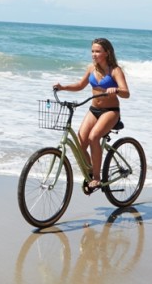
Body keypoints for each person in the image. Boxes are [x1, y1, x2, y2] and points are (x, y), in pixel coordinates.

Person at [53, 38, 130, 193]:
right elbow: (81, 85)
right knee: (80, 144)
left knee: (93, 137)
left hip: (111, 111)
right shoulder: (91, 68)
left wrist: (116, 90)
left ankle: (96, 177)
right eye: (92, 51)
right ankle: (89, 173)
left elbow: (126, 93)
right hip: (94, 110)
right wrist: (63, 87)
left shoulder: (115, 70)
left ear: (107, 53)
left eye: (98, 51)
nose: (94, 54)